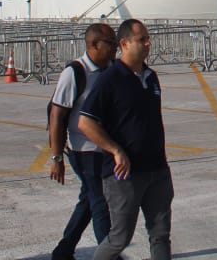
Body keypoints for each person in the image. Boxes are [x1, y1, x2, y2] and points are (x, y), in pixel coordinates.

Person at [79, 19, 173, 260]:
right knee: (120, 238)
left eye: (147, 38)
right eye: (141, 39)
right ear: (124, 43)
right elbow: (85, 122)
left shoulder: (151, 77)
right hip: (125, 176)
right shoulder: (110, 79)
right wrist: (115, 150)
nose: (147, 43)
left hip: (157, 170)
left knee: (160, 234)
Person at [48, 23, 117, 260]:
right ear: (94, 44)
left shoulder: (113, 69)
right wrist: (57, 158)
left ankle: (63, 251)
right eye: (111, 43)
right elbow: (57, 116)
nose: (115, 48)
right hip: (83, 150)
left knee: (88, 200)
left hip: (106, 148)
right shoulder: (74, 72)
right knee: (100, 203)